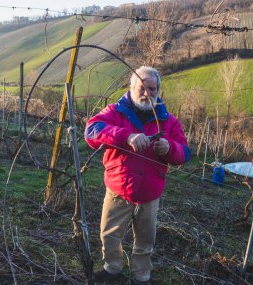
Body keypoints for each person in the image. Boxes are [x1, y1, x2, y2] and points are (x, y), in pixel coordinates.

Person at [84, 66, 190, 285]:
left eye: (152, 89)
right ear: (131, 87)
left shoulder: (169, 121)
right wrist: (126, 136)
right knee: (110, 235)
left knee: (145, 240)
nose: (147, 94)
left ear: (158, 91)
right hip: (118, 188)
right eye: (142, 88)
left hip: (150, 192)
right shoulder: (115, 111)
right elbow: (91, 131)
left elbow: (185, 153)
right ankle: (112, 269)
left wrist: (169, 148)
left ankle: (141, 276)